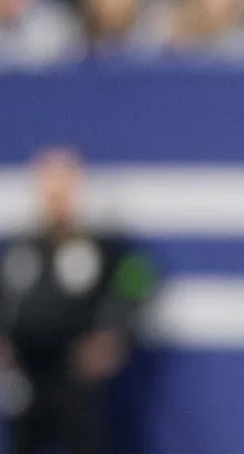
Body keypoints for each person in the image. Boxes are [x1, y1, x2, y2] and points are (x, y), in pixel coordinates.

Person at [0, 148, 157, 454]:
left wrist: (113, 334)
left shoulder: (102, 246)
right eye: (50, 188)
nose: (57, 199)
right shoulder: (18, 247)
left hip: (75, 374)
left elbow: (140, 279)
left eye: (64, 188)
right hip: (26, 372)